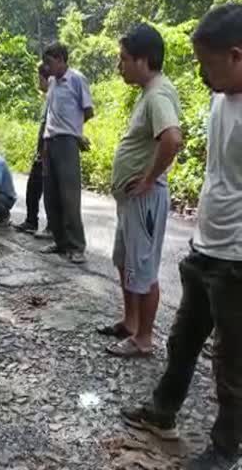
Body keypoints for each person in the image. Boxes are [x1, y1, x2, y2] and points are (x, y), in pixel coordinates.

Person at [120, 4, 242, 470]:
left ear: (236, 55)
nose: (201, 75)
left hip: (237, 259)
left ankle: (226, 449)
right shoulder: (220, 96)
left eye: (208, 65)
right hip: (206, 246)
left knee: (231, 364)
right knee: (184, 339)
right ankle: (162, 412)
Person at [98, 23, 183, 358]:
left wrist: (148, 179)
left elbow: (172, 138)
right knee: (126, 260)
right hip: (132, 201)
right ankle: (130, 322)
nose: (120, 66)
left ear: (143, 60)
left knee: (143, 268)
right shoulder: (150, 92)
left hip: (144, 199)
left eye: (124, 59)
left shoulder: (158, 93)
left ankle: (144, 338)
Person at [40, 42, 94, 264]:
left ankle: (76, 246)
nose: (47, 67)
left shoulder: (76, 79)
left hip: (66, 142)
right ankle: (60, 241)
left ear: (61, 59)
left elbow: (88, 110)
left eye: (50, 62)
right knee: (51, 195)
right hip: (49, 142)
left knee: (69, 196)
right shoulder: (52, 82)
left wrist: (74, 132)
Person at [14, 64, 53, 238]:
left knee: (47, 190)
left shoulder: (54, 97)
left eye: (40, 78)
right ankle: (32, 221)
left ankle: (49, 226)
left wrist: (42, 151)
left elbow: (48, 127)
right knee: (35, 187)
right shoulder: (48, 98)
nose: (38, 82)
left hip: (47, 150)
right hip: (42, 150)